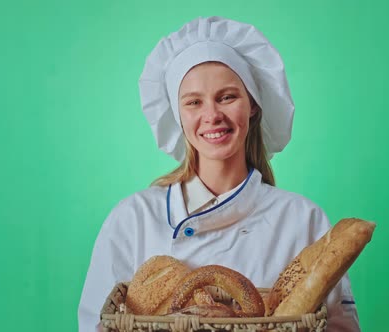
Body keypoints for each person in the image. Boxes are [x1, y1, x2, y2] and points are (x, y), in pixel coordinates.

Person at [78, 16, 361, 332]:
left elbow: (340, 328)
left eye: (227, 97)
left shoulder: (302, 220)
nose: (211, 116)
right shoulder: (133, 219)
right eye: (194, 102)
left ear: (253, 105)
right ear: (178, 115)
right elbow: (95, 324)